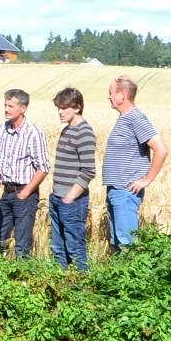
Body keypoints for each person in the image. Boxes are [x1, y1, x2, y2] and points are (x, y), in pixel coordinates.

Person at [101, 75, 169, 251]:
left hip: (125, 190)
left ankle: (132, 276)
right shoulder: (125, 118)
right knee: (118, 242)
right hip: (117, 189)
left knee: (127, 243)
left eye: (111, 93)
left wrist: (146, 179)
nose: (108, 97)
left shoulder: (135, 118)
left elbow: (161, 149)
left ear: (122, 95)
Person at [0, 89, 49, 257]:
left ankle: (23, 278)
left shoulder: (33, 133)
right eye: (5, 105)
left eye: (10, 106)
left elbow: (43, 167)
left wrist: (26, 192)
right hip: (6, 192)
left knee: (22, 243)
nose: (6, 109)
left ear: (22, 108)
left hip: (24, 193)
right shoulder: (1, 129)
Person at [48, 87, 96, 270]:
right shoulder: (67, 130)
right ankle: (61, 286)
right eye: (58, 108)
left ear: (77, 107)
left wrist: (69, 197)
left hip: (72, 201)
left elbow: (89, 170)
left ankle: (80, 287)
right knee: (58, 248)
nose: (60, 112)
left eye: (64, 108)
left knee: (74, 247)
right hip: (57, 197)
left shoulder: (84, 132)